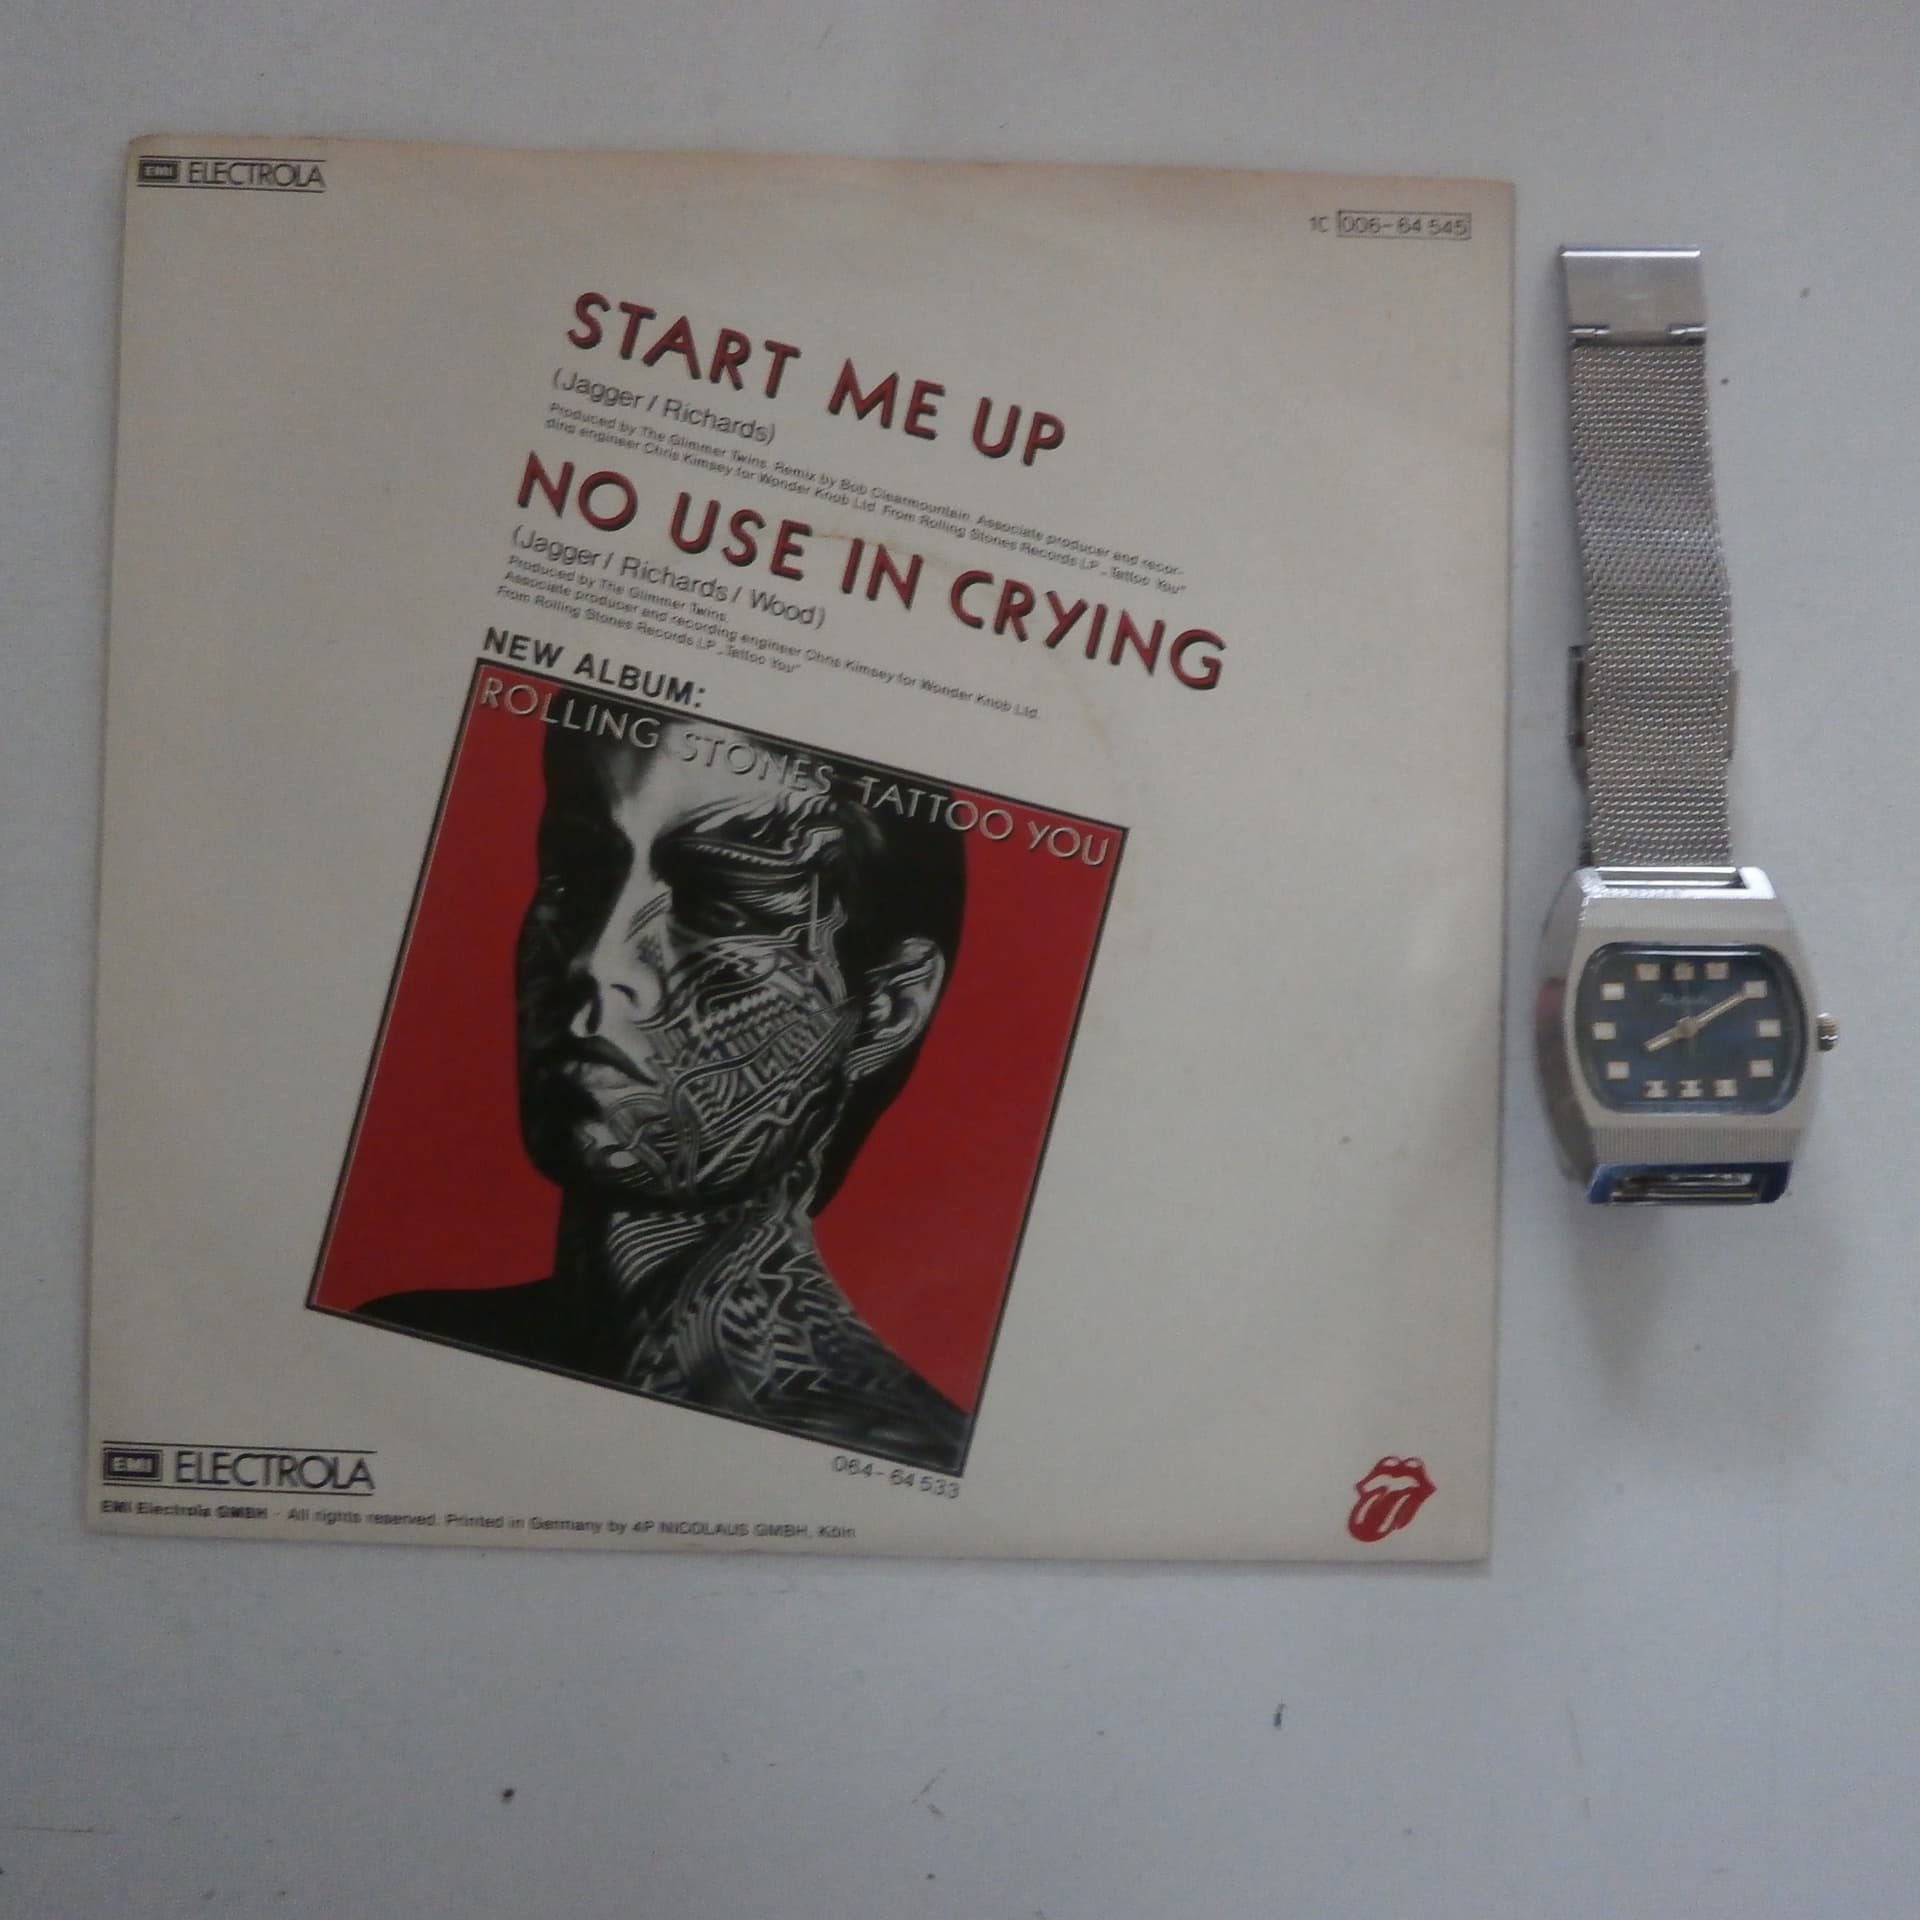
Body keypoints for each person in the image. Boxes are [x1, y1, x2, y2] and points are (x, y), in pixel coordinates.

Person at [357, 712, 970, 1474]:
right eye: (576, 871)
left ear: (888, 1009)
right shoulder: (401, 1347)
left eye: (720, 905)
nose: (593, 959)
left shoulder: (893, 1457)